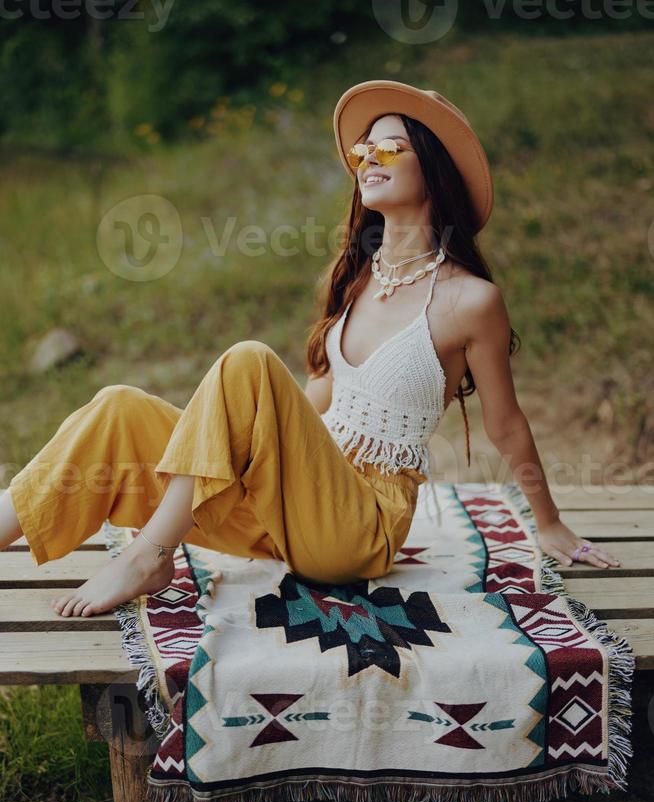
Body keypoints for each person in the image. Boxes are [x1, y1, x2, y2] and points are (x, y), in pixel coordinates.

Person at [0, 80, 619, 618]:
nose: (366, 158)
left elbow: (505, 425)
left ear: (432, 167)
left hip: (359, 527)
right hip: (295, 507)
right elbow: (312, 402)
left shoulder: (470, 300)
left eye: (389, 147)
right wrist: (229, 436)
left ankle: (150, 554)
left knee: (246, 360)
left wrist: (548, 521)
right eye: (361, 148)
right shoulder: (356, 278)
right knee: (120, 406)